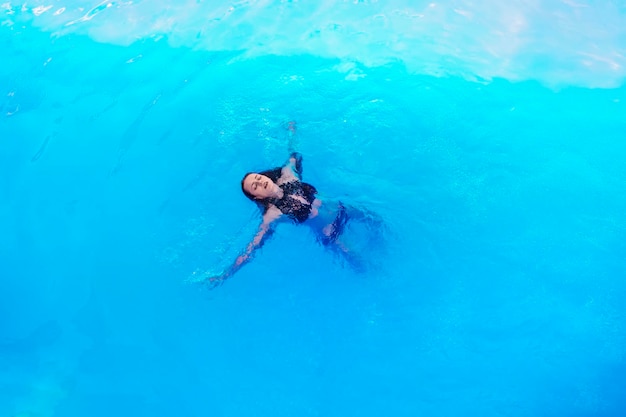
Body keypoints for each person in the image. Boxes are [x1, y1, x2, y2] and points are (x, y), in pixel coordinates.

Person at [205, 122, 379, 288]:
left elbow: (294, 151)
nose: (259, 182)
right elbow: (251, 248)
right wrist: (226, 274)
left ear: (264, 176)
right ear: (256, 196)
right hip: (329, 231)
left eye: (258, 178)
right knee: (359, 262)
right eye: (255, 187)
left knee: (376, 221)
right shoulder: (271, 215)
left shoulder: (288, 173)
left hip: (341, 207)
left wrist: (291, 131)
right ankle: (374, 282)